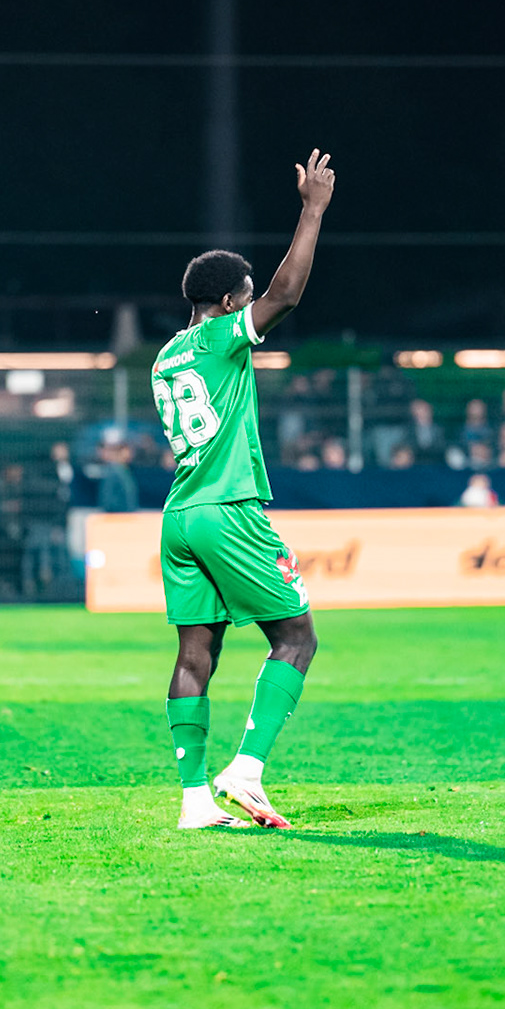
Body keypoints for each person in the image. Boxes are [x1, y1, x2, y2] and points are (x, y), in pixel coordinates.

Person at [150, 148, 332, 832]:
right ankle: (246, 769)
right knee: (296, 638)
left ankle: (194, 799)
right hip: (228, 508)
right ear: (227, 304)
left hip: (181, 515)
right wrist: (311, 209)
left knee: (197, 653)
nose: (253, 302)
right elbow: (286, 294)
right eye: (245, 296)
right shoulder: (224, 339)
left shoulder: (167, 356)